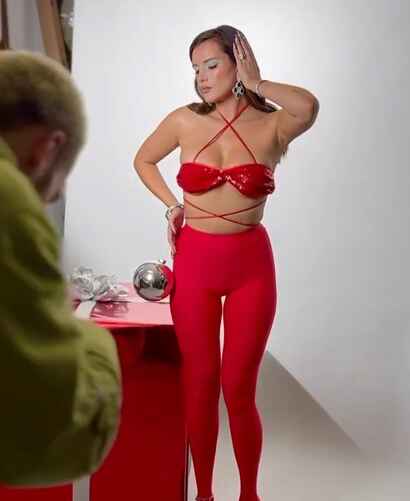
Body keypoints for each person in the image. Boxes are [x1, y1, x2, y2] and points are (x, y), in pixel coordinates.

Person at [133, 25, 319, 501]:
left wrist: (259, 84)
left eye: (212, 65)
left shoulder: (273, 125)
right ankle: (204, 495)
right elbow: (143, 160)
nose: (201, 77)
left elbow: (308, 106)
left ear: (239, 63)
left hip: (249, 268)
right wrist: (172, 206)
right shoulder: (183, 120)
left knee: (238, 387)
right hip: (195, 264)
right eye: (196, 68)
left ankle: (249, 494)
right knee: (199, 383)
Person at [0, 50, 122, 486]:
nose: (51, 197)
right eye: (58, 181)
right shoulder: (8, 197)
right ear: (46, 149)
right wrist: (94, 342)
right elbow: (41, 435)